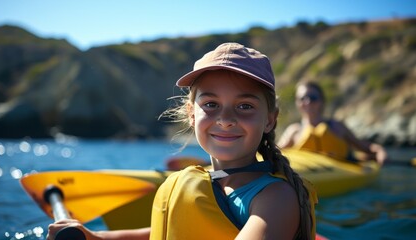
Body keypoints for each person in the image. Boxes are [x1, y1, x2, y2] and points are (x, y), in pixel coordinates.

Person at [47, 43, 317, 240]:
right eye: (211, 104)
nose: (225, 119)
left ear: (270, 120)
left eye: (245, 106)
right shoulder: (205, 183)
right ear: (191, 114)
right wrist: (96, 238)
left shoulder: (275, 199)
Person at [277, 81, 387, 165]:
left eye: (313, 98)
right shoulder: (294, 131)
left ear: (321, 101)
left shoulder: (337, 127)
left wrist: (380, 152)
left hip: (342, 172)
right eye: (302, 98)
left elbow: (366, 147)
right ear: (297, 102)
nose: (308, 102)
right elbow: (274, 153)